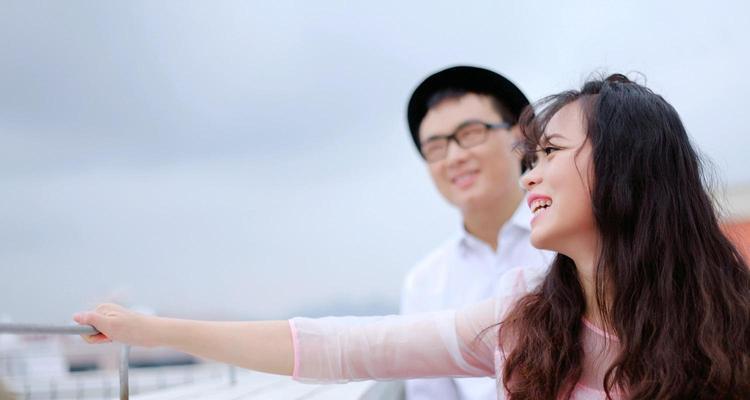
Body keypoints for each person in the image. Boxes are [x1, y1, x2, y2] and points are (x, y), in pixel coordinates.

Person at [74, 74, 750, 399]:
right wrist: (154, 330)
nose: (531, 172)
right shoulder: (523, 317)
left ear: (627, 166)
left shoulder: (726, 319)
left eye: (549, 152)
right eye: (433, 146)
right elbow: (345, 346)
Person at [401, 65, 552, 399]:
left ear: (520, 136)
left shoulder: (569, 241)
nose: (454, 157)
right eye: (435, 148)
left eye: (470, 134)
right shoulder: (425, 283)